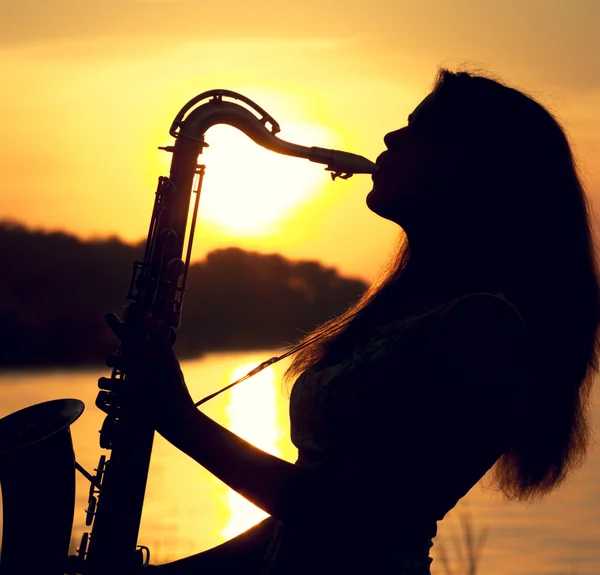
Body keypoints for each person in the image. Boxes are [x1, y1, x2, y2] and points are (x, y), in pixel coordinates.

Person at [104, 69, 600, 575]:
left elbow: (352, 519)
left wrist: (179, 419)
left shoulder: (483, 328)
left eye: (419, 128)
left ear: (474, 167)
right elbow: (293, 526)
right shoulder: (404, 309)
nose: (390, 137)